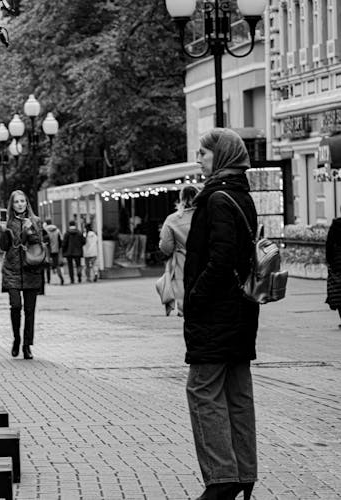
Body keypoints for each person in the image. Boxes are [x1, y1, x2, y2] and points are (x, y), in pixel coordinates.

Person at [183, 128, 259, 500]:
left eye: (204, 153)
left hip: (216, 313)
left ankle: (221, 477)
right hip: (242, 311)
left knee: (202, 390)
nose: (198, 158)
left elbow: (220, 258)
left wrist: (194, 297)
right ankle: (244, 474)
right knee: (237, 393)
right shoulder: (242, 196)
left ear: (222, 156)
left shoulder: (216, 199)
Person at [0, 190, 44, 360]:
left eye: (22, 201)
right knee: (16, 306)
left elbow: (39, 243)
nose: (20, 204)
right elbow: (3, 247)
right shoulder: (7, 222)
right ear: (12, 204)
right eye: (17, 202)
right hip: (12, 270)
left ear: (27, 203)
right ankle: (16, 338)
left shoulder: (35, 221)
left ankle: (27, 345)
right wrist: (3, 231)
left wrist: (29, 230)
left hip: (31, 269)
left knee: (30, 310)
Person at [158, 186, 199, 316]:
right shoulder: (207, 215)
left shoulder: (172, 219)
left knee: (182, 287)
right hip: (204, 258)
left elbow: (166, 246)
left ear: (181, 199)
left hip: (182, 259)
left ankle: (183, 311)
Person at [325, 212, 341, 326]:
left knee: (338, 289)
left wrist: (330, 261)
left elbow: (329, 244)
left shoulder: (336, 224)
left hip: (337, 261)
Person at [44, 219, 64, 285]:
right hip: (55, 250)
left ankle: (48, 280)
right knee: (57, 265)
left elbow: (44, 240)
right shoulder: (57, 230)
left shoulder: (45, 230)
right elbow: (60, 240)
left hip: (47, 250)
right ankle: (61, 278)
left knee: (47, 265)